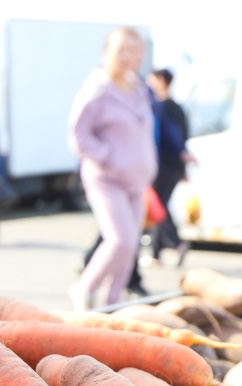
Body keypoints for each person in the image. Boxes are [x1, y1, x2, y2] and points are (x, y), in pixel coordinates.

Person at [67, 28, 157, 310]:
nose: (130, 57)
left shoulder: (138, 87)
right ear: (107, 53)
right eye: (123, 50)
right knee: (120, 240)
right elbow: (78, 134)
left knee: (131, 247)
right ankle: (85, 289)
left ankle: (112, 303)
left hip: (137, 180)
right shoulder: (99, 89)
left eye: (136, 51)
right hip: (107, 179)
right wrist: (107, 156)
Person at [146, 68, 195, 266]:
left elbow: (174, 138)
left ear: (161, 81)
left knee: (157, 207)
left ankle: (177, 243)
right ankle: (156, 254)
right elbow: (184, 137)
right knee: (160, 205)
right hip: (175, 166)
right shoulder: (178, 107)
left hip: (164, 166)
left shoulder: (162, 107)